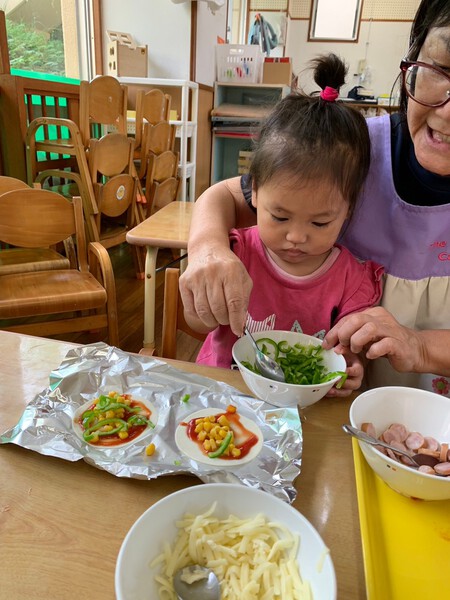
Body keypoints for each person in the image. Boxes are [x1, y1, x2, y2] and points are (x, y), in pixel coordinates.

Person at [180, 0, 450, 396]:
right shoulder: (351, 152)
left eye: (320, 222)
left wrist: (421, 345)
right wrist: (206, 248)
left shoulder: (351, 278)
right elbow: (225, 195)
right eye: (442, 69)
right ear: (413, 56)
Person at [187, 54, 383, 390]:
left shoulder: (351, 279)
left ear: (348, 209)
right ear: (255, 192)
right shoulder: (236, 252)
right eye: (279, 216)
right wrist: (206, 294)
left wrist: (349, 368)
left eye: (320, 223)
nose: (296, 236)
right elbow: (196, 322)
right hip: (220, 394)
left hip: (303, 413)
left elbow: (351, 354)